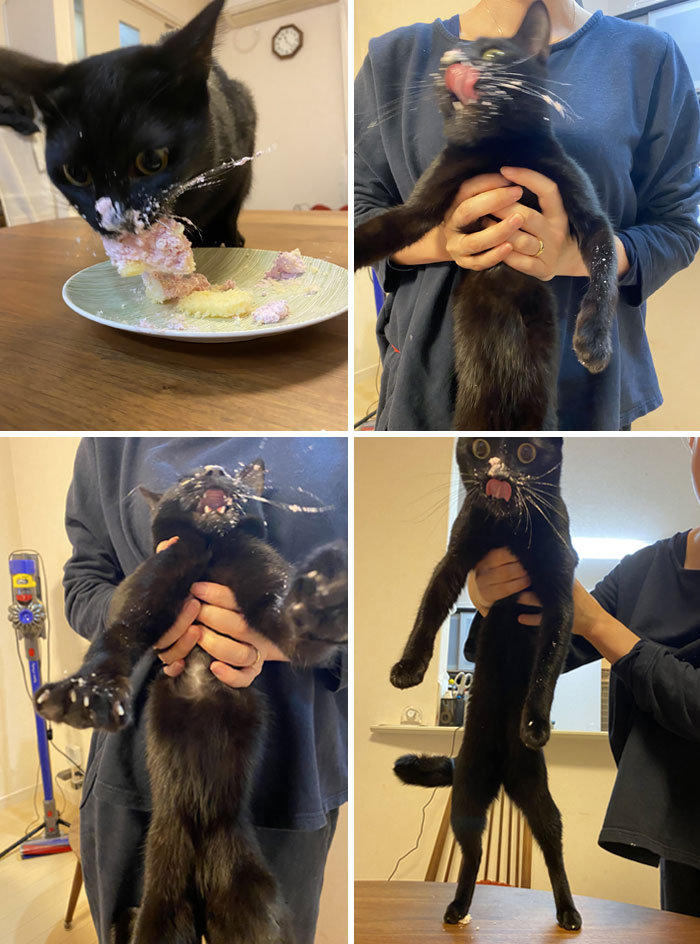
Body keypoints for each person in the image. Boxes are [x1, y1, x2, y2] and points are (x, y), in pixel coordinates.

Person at [354, 0, 700, 430]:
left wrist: (574, 256)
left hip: (581, 389)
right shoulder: (395, 57)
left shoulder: (649, 55)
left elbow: (680, 225)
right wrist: (444, 238)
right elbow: (356, 216)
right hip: (427, 380)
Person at [62, 437, 348, 944]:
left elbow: (370, 603)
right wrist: (141, 617)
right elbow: (85, 581)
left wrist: (305, 631)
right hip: (136, 782)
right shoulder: (109, 443)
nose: (214, 471)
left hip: (291, 782)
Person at [466, 437, 700, 916]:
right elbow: (542, 650)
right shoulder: (643, 570)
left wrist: (598, 625)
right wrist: (491, 599)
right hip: (684, 832)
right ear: (692, 443)